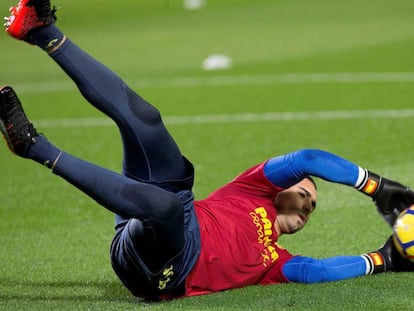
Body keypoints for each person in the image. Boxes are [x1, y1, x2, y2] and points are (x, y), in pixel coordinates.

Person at [2, 0, 414, 301]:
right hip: (163, 218)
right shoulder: (249, 190)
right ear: (278, 189)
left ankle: (34, 146)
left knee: (164, 207)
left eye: (312, 208)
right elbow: (308, 159)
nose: (308, 206)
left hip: (163, 269)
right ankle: (41, 30)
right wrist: (377, 188)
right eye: (305, 194)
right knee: (146, 119)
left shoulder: (275, 262)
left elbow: (316, 270)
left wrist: (383, 260)